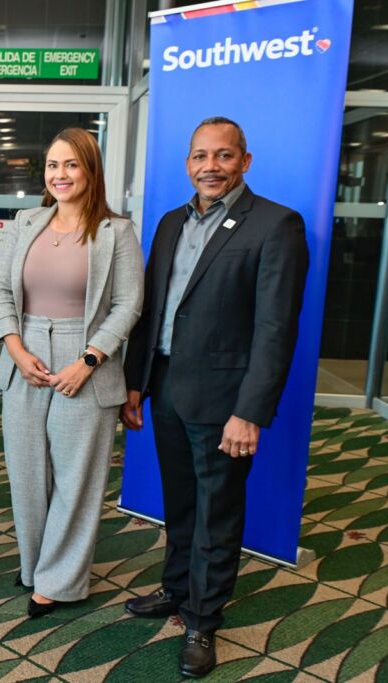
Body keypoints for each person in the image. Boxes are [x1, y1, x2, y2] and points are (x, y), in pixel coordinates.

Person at [121, 117, 308, 678]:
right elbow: (153, 309)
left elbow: (276, 329)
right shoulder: (170, 222)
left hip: (226, 400)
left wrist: (249, 412)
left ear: (244, 161)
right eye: (200, 156)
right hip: (167, 386)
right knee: (180, 502)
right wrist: (136, 381)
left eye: (223, 156)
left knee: (217, 513)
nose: (211, 167)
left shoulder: (276, 224)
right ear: (188, 164)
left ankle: (203, 619)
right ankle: (177, 588)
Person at [0, 128, 143, 617]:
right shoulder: (27, 221)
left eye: (72, 164)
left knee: (77, 479)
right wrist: (15, 348)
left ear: (91, 170)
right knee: (27, 472)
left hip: (87, 357)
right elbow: (1, 291)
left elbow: (128, 304)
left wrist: (89, 359)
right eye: (53, 165)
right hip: (25, 353)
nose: (60, 174)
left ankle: (60, 580)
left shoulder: (117, 231)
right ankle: (35, 564)